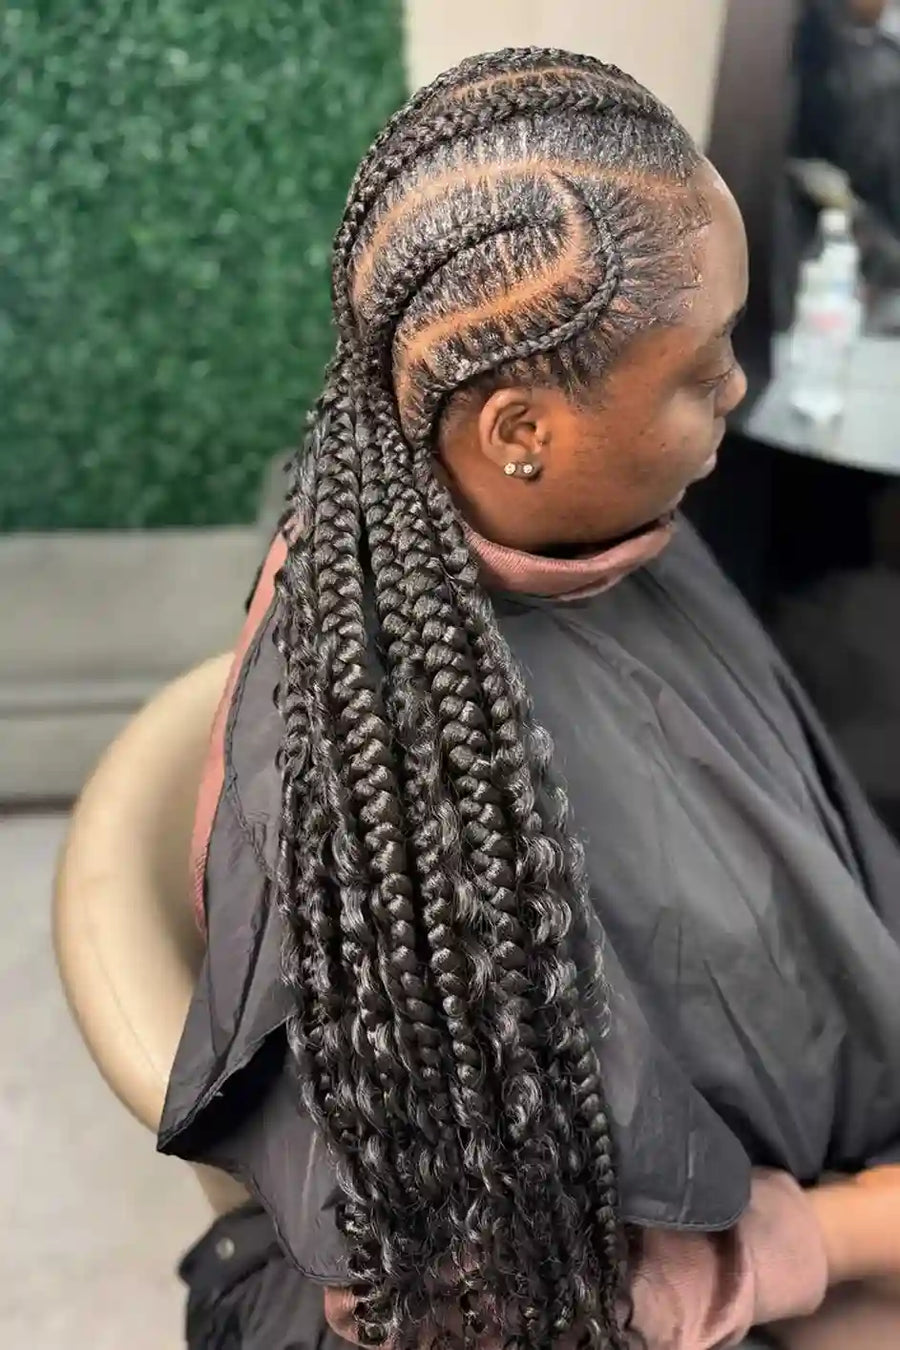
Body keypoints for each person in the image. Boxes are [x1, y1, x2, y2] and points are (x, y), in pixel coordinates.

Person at [159, 49, 900, 1349]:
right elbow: (489, 1291)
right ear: (518, 431)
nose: (733, 390)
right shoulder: (379, 793)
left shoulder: (610, 529)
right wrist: (835, 1233)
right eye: (701, 365)